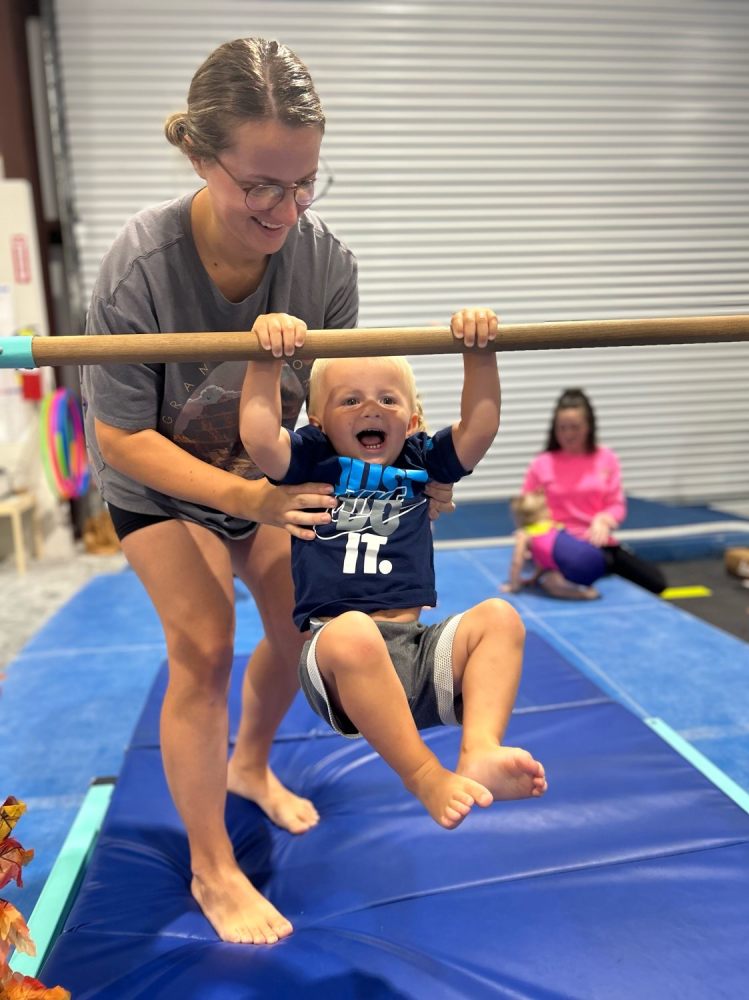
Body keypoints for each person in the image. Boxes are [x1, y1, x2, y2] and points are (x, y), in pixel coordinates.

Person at [80, 37, 454, 947]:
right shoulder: (141, 266)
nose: (285, 210)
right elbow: (120, 434)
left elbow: (336, 402)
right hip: (160, 484)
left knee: (304, 622)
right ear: (202, 158)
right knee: (205, 646)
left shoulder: (326, 266)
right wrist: (242, 504)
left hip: (273, 473)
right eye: (261, 187)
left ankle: (249, 766)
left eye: (305, 184)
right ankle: (212, 868)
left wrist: (412, 468)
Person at [240, 309, 548, 832]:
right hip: (338, 660)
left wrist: (478, 353)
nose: (370, 409)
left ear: (409, 420)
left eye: (387, 399)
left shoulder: (420, 458)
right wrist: (265, 359)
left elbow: (480, 427)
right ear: (318, 422)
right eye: (350, 400)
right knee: (355, 631)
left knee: (500, 617)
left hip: (417, 653)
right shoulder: (312, 460)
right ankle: (425, 774)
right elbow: (259, 437)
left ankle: (480, 749)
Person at [522, 388, 667, 594]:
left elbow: (616, 503)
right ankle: (558, 573)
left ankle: (566, 576)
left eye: (575, 427)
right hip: (560, 542)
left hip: (597, 542)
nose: (568, 434)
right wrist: (536, 538)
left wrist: (604, 519)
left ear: (589, 426)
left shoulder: (606, 458)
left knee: (656, 582)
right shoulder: (541, 464)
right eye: (562, 428)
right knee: (586, 562)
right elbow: (526, 509)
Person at [504, 489, 606, 599]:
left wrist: (513, 585)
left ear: (519, 518)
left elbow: (517, 562)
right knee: (555, 567)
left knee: (549, 583)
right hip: (598, 559)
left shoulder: (524, 534)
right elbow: (543, 560)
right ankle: (582, 583)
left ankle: (585, 594)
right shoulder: (554, 525)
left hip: (578, 568)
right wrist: (534, 578)